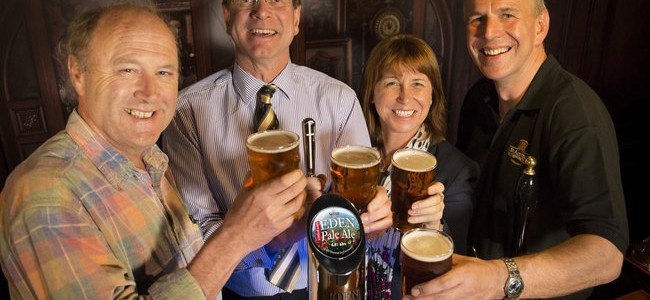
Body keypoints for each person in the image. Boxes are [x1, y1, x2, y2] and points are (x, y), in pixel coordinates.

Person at [0, 3, 308, 299]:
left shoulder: (150, 160)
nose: (149, 93)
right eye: (127, 69)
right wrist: (234, 236)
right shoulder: (44, 194)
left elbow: (195, 271)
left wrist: (272, 235)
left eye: (164, 73)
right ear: (78, 73)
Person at [161, 0, 393, 298]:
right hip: (233, 292)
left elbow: (356, 212)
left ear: (296, 18)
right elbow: (195, 233)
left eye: (276, 0)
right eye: (246, 0)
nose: (262, 10)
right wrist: (272, 238)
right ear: (227, 15)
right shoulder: (186, 111)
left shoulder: (340, 100)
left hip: (325, 288)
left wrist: (372, 217)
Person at [404, 0, 629, 299]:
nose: (489, 33)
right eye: (477, 19)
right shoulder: (479, 98)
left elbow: (607, 255)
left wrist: (496, 278)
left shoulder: (575, 114)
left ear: (540, 26)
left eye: (507, 15)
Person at [359, 34, 479, 299]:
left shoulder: (457, 169)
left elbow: (457, 265)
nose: (405, 97)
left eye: (417, 84)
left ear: (433, 96)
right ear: (371, 93)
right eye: (392, 82)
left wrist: (434, 227)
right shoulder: (353, 157)